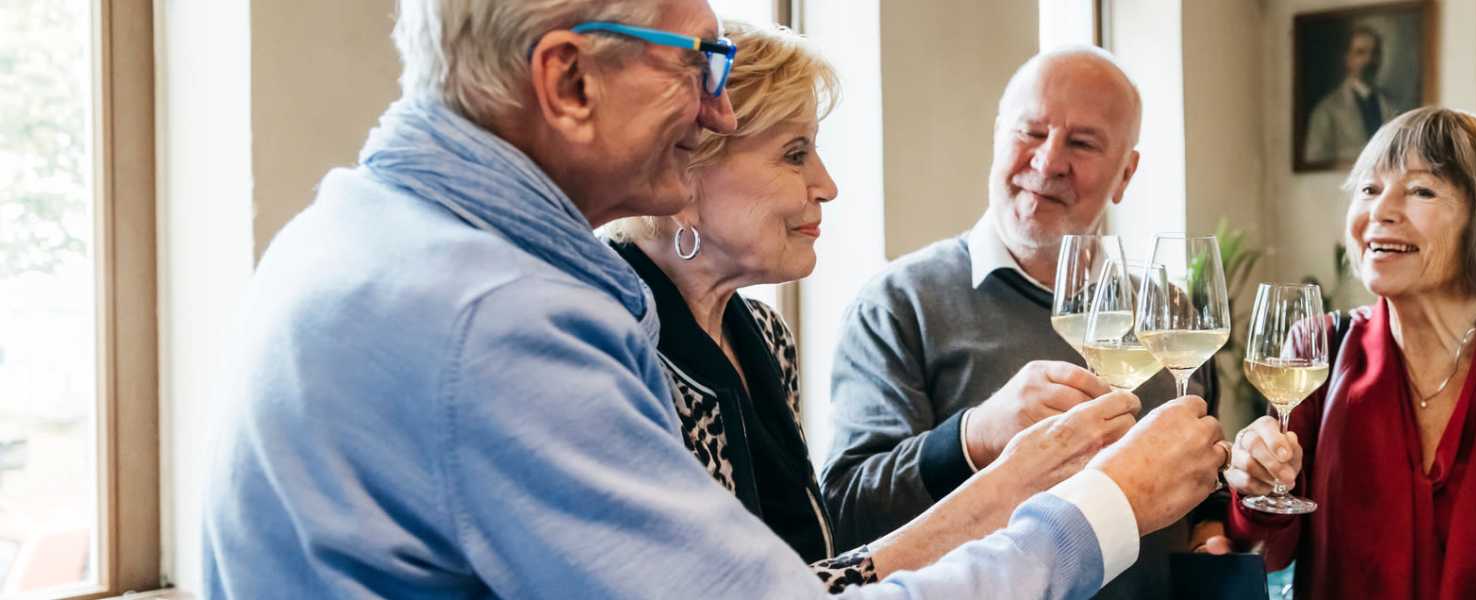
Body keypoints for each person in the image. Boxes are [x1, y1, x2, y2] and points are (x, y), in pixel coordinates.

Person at [201, 1, 1229, 597]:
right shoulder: (497, 316)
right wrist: (1108, 499)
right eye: (699, 64)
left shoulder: (370, 227)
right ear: (566, 83)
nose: (712, 109)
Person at [599, 22, 1159, 592]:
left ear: (1126, 172)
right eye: (796, 154)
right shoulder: (611, 338)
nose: (827, 184)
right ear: (687, 165)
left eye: (1083, 143)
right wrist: (998, 474)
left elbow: (813, 567)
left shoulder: (763, 335)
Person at [817, 47, 1216, 599]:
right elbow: (846, 516)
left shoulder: (1169, 312)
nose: (1049, 161)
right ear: (998, 139)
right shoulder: (898, 303)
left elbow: (1200, 494)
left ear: (1125, 174)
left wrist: (1219, 520)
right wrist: (972, 437)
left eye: (1082, 143)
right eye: (1031, 132)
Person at [1214, 107, 1476, 599]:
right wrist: (1256, 487)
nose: (1381, 211)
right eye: (1369, 189)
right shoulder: (1320, 350)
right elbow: (1270, 553)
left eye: (1421, 190)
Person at [1301, 25, 1403, 166]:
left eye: (1374, 53)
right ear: (1348, 58)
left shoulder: (1391, 106)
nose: (1369, 60)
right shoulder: (1326, 110)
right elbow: (1314, 161)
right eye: (1361, 53)